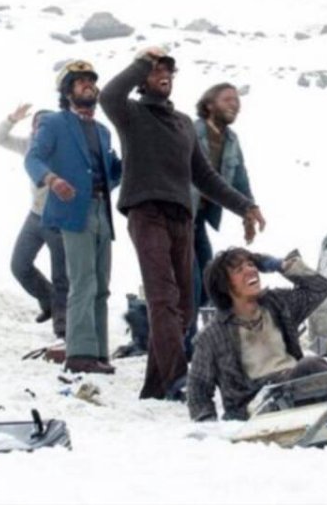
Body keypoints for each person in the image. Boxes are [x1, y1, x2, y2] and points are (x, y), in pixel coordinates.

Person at [100, 46, 266, 400]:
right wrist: (143, 61)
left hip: (181, 218)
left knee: (186, 307)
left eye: (169, 71)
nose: (164, 75)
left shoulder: (182, 125)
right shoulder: (130, 113)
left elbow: (204, 175)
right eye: (156, 70)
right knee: (163, 299)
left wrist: (245, 206)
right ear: (143, 80)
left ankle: (156, 386)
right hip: (147, 213)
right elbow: (109, 94)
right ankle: (179, 379)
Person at [26, 61, 122, 375]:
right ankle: (80, 353)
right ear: (67, 91)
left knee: (102, 285)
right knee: (83, 281)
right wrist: (53, 181)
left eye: (91, 82)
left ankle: (99, 352)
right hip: (72, 212)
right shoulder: (54, 123)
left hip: (101, 210)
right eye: (80, 82)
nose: (88, 86)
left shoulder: (104, 131)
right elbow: (33, 158)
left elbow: (111, 174)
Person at [187, 248, 327, 421]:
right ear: (224, 285)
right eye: (239, 270)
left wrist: (281, 265)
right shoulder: (212, 335)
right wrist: (210, 426)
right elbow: (198, 389)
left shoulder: (277, 304)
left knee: (323, 371)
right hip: (256, 407)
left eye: (251, 264)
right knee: (310, 365)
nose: (250, 270)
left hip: (296, 386)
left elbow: (321, 288)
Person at [0, 104, 69, 335]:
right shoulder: (29, 146)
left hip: (59, 219)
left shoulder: (63, 149)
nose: (39, 129)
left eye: (45, 125)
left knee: (62, 275)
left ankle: (63, 326)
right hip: (35, 217)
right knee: (19, 265)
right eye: (36, 125)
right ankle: (48, 301)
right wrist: (12, 118)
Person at [189, 82, 254, 347]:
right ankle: (187, 341)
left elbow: (239, 178)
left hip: (201, 217)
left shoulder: (231, 139)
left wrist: (248, 212)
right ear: (209, 104)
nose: (234, 104)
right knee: (190, 277)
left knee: (207, 276)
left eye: (236, 100)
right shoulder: (191, 131)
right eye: (227, 99)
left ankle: (202, 337)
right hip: (181, 213)